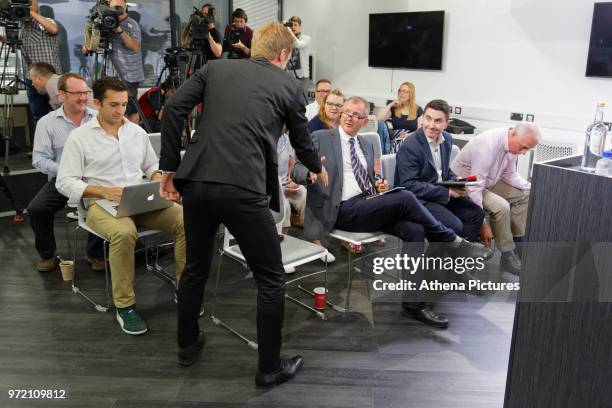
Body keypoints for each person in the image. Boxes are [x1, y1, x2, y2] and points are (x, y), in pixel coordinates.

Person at [159, 22, 325, 387]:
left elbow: (171, 109)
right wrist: (315, 167)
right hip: (243, 188)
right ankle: (269, 369)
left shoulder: (216, 68)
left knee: (195, 269)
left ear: (257, 47)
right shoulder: (289, 85)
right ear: (283, 54)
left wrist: (169, 167)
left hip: (198, 183)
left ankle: (187, 346)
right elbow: (301, 139)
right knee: (271, 279)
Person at [292, 96, 493, 329]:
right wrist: (310, 173)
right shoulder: (321, 138)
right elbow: (297, 168)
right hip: (342, 210)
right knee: (406, 196)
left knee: (415, 231)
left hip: (367, 203)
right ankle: (453, 240)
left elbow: (369, 177)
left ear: (364, 120)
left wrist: (379, 184)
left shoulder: (366, 144)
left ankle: (413, 306)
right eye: (345, 112)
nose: (348, 117)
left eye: (355, 115)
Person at [56, 77, 186, 336]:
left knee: (187, 219)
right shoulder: (79, 138)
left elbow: (151, 167)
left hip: (139, 199)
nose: (120, 111)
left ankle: (186, 289)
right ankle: (124, 306)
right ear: (97, 103)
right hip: (99, 204)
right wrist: (103, 190)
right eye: (113, 104)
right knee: (124, 232)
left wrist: (159, 180)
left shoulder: (136, 132)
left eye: (124, 104)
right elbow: (64, 181)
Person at [27, 73, 103, 272]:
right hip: (63, 180)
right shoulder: (47, 122)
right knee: (37, 209)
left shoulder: (98, 118)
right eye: (77, 93)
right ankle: (47, 255)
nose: (83, 98)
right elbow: (40, 160)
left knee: (106, 203)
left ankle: (95, 253)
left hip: (96, 179)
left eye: (86, 92)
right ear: (61, 95)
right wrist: (67, 170)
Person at [450, 123, 540, 275]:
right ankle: (507, 255)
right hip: (463, 186)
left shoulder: (512, 146)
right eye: (524, 147)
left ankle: (518, 248)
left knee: (525, 195)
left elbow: (509, 175)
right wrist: (482, 224)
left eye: (527, 149)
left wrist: (533, 186)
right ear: (513, 134)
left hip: (487, 182)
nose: (524, 153)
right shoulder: (487, 145)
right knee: (502, 206)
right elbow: (474, 188)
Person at [395, 99, 485, 246]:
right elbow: (408, 185)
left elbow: (442, 171)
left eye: (437, 121)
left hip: (438, 193)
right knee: (455, 226)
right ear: (422, 118)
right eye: (428, 118)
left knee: (476, 214)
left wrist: (456, 181)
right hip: (418, 200)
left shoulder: (447, 139)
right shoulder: (410, 146)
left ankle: (459, 260)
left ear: (446, 123)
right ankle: (443, 261)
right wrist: (447, 193)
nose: (431, 125)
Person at [4, 0, 62, 132]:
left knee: (57, 113)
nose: (24, 7)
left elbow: (53, 29)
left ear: (37, 7)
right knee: (38, 116)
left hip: (51, 78)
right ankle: (41, 148)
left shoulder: (47, 21)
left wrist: (31, 13)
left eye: (29, 4)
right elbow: (15, 44)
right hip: (31, 79)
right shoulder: (20, 25)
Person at [377, 82, 423, 153]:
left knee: (404, 143)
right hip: (395, 139)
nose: (401, 93)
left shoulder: (418, 109)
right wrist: (390, 105)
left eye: (405, 91)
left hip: (410, 139)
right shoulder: (394, 108)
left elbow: (421, 130)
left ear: (411, 94)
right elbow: (379, 120)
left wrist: (409, 135)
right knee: (381, 125)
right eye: (400, 91)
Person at [29, 63, 95, 110]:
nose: (32, 84)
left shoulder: (53, 86)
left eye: (32, 80)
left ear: (39, 79)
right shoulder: (57, 81)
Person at [286, 16, 310, 83]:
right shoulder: (287, 39)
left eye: (295, 25)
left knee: (302, 93)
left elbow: (298, 44)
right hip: (290, 74)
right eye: (291, 25)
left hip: (302, 75)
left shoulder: (306, 38)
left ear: (300, 26)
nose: (293, 27)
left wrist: (289, 31)